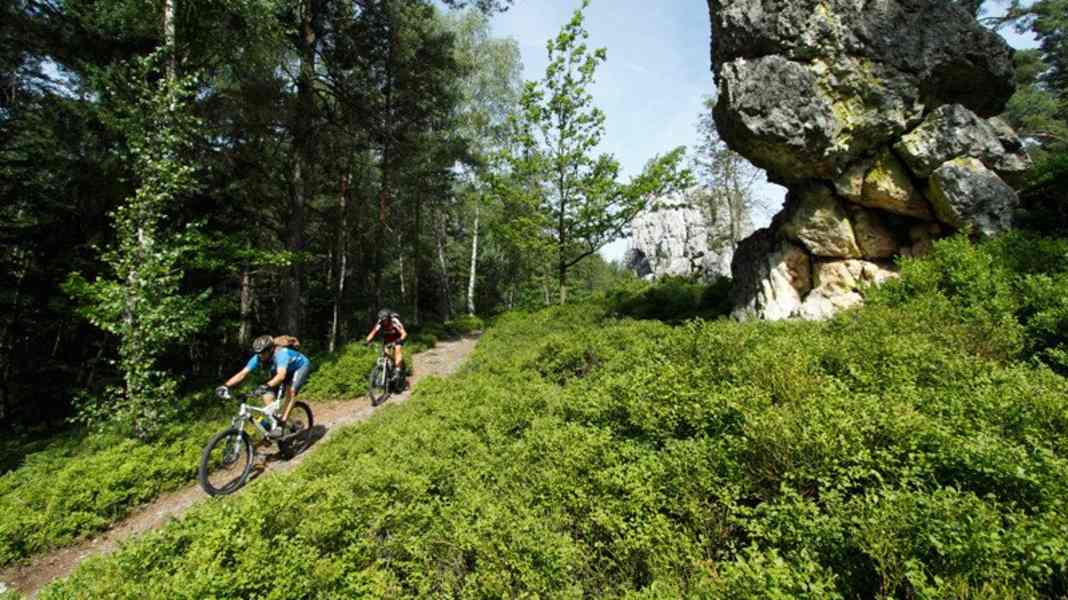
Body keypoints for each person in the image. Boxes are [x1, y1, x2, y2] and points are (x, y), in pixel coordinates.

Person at [219, 335, 312, 438]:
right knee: (266, 395)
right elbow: (243, 373)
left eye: (263, 353)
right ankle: (274, 423)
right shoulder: (258, 357)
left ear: (271, 349)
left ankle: (281, 425)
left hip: (300, 367)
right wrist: (225, 386)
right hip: (282, 370)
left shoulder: (281, 354)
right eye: (258, 353)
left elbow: (281, 376)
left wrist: (266, 385)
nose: (260, 356)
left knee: (291, 391)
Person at [365, 308, 407, 385]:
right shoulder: (380, 322)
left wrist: (399, 340)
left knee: (397, 349)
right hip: (387, 339)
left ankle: (398, 370)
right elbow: (373, 333)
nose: (384, 322)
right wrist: (367, 341)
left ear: (389, 318)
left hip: (397, 337)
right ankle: (388, 372)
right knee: (385, 353)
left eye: (385, 320)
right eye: (382, 320)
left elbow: (404, 333)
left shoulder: (394, 322)